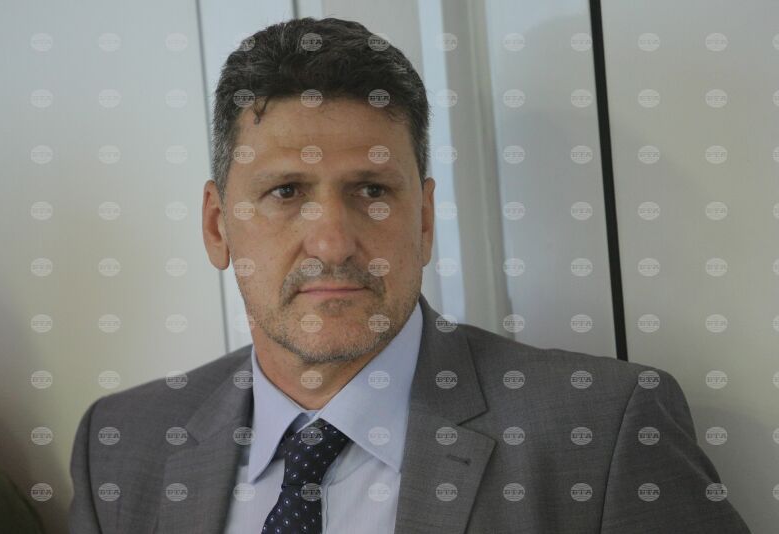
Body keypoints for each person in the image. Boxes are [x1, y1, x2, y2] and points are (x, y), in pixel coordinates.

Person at [68, 17, 751, 533]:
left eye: (371, 190)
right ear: (218, 227)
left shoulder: (604, 432)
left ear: (423, 221)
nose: (332, 242)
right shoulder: (120, 448)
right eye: (285, 192)